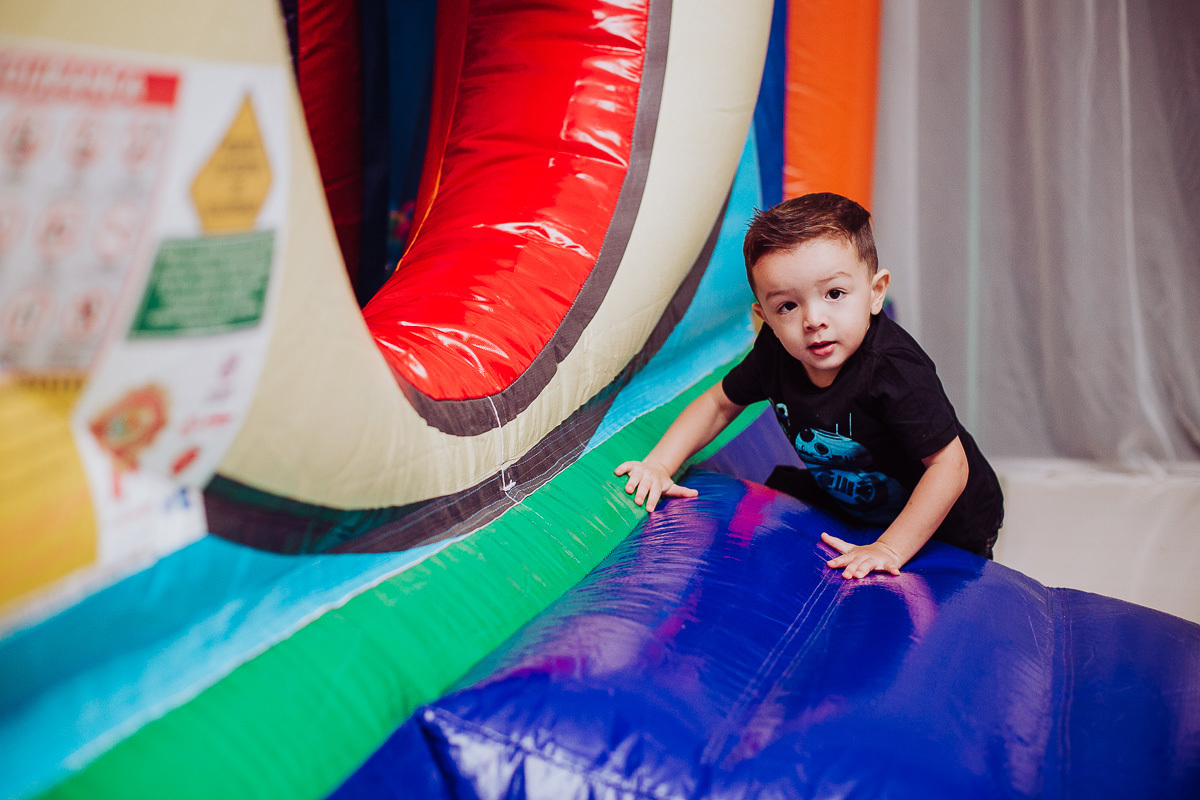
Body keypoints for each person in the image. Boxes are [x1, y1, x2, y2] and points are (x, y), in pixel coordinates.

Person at [615, 192, 1003, 580]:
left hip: (949, 518)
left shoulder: (893, 369)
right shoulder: (775, 353)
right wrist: (660, 464)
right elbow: (719, 404)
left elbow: (949, 467)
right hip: (856, 497)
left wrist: (889, 548)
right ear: (764, 317)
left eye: (834, 294)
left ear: (875, 293)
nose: (813, 319)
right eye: (787, 306)